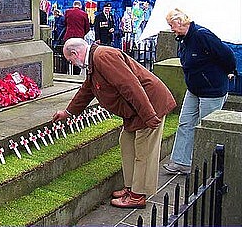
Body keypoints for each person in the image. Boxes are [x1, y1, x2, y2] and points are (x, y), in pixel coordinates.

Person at [52, 38, 176, 208]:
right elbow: (86, 91)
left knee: (144, 150)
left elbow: (130, 86)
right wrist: (68, 112)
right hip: (136, 110)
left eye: (70, 60)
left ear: (75, 53)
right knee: (126, 142)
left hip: (150, 104)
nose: (71, 63)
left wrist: (148, 115)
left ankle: (137, 195)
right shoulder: (93, 62)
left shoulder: (103, 56)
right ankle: (131, 187)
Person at [163, 8, 236, 174]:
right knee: (185, 122)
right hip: (194, 89)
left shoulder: (202, 35)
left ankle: (208, 166)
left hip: (212, 90)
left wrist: (230, 71)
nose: (171, 29)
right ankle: (181, 162)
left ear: (180, 22)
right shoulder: (183, 39)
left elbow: (227, 54)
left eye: (171, 25)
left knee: (206, 127)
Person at [63, 0, 90, 74]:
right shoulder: (84, 14)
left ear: (73, 5)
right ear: (80, 6)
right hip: (79, 37)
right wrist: (82, 33)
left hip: (68, 36)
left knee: (67, 53)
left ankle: (66, 71)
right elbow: (87, 27)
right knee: (78, 55)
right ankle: (76, 72)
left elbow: (65, 23)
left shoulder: (68, 12)